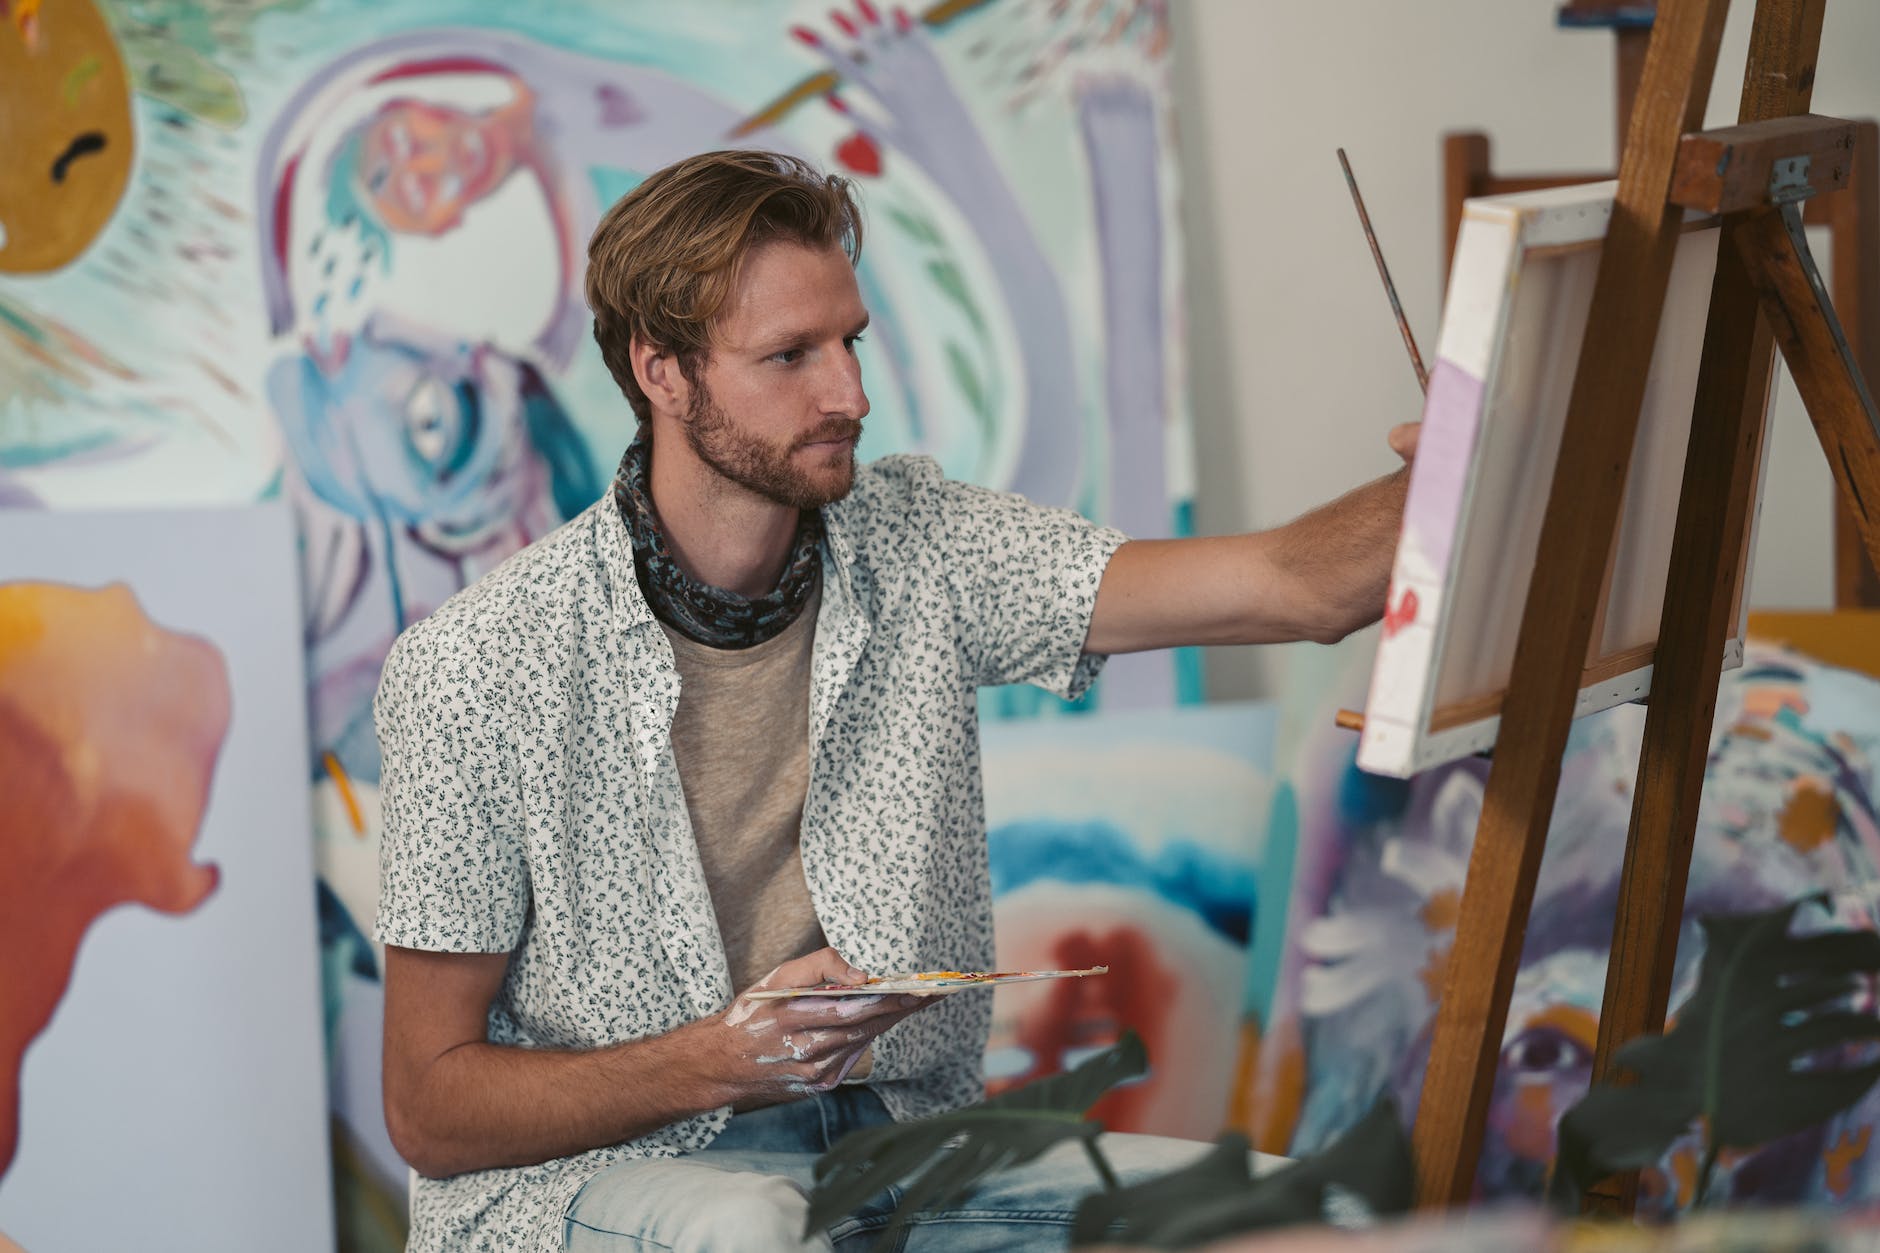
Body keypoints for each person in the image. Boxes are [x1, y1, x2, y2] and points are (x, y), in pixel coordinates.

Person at [373, 148, 1417, 1253]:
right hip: (605, 1175)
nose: (850, 396)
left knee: (1319, 1210)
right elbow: (430, 1107)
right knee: (751, 1228)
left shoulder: (922, 543)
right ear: (663, 373)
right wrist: (720, 1056)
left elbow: (1290, 586)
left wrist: (1448, 479)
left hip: (890, 1142)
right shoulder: (477, 665)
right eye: (789, 356)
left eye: (849, 341)